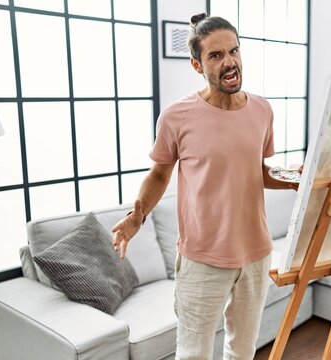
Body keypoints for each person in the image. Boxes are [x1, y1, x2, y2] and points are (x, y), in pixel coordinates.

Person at [112, 13, 297, 360]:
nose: (229, 62)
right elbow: (159, 175)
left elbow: (256, 172)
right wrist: (138, 213)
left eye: (234, 51)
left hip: (257, 254)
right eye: (216, 55)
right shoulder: (176, 116)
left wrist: (293, 180)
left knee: (242, 350)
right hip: (202, 258)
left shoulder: (262, 110)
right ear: (197, 64)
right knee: (193, 354)